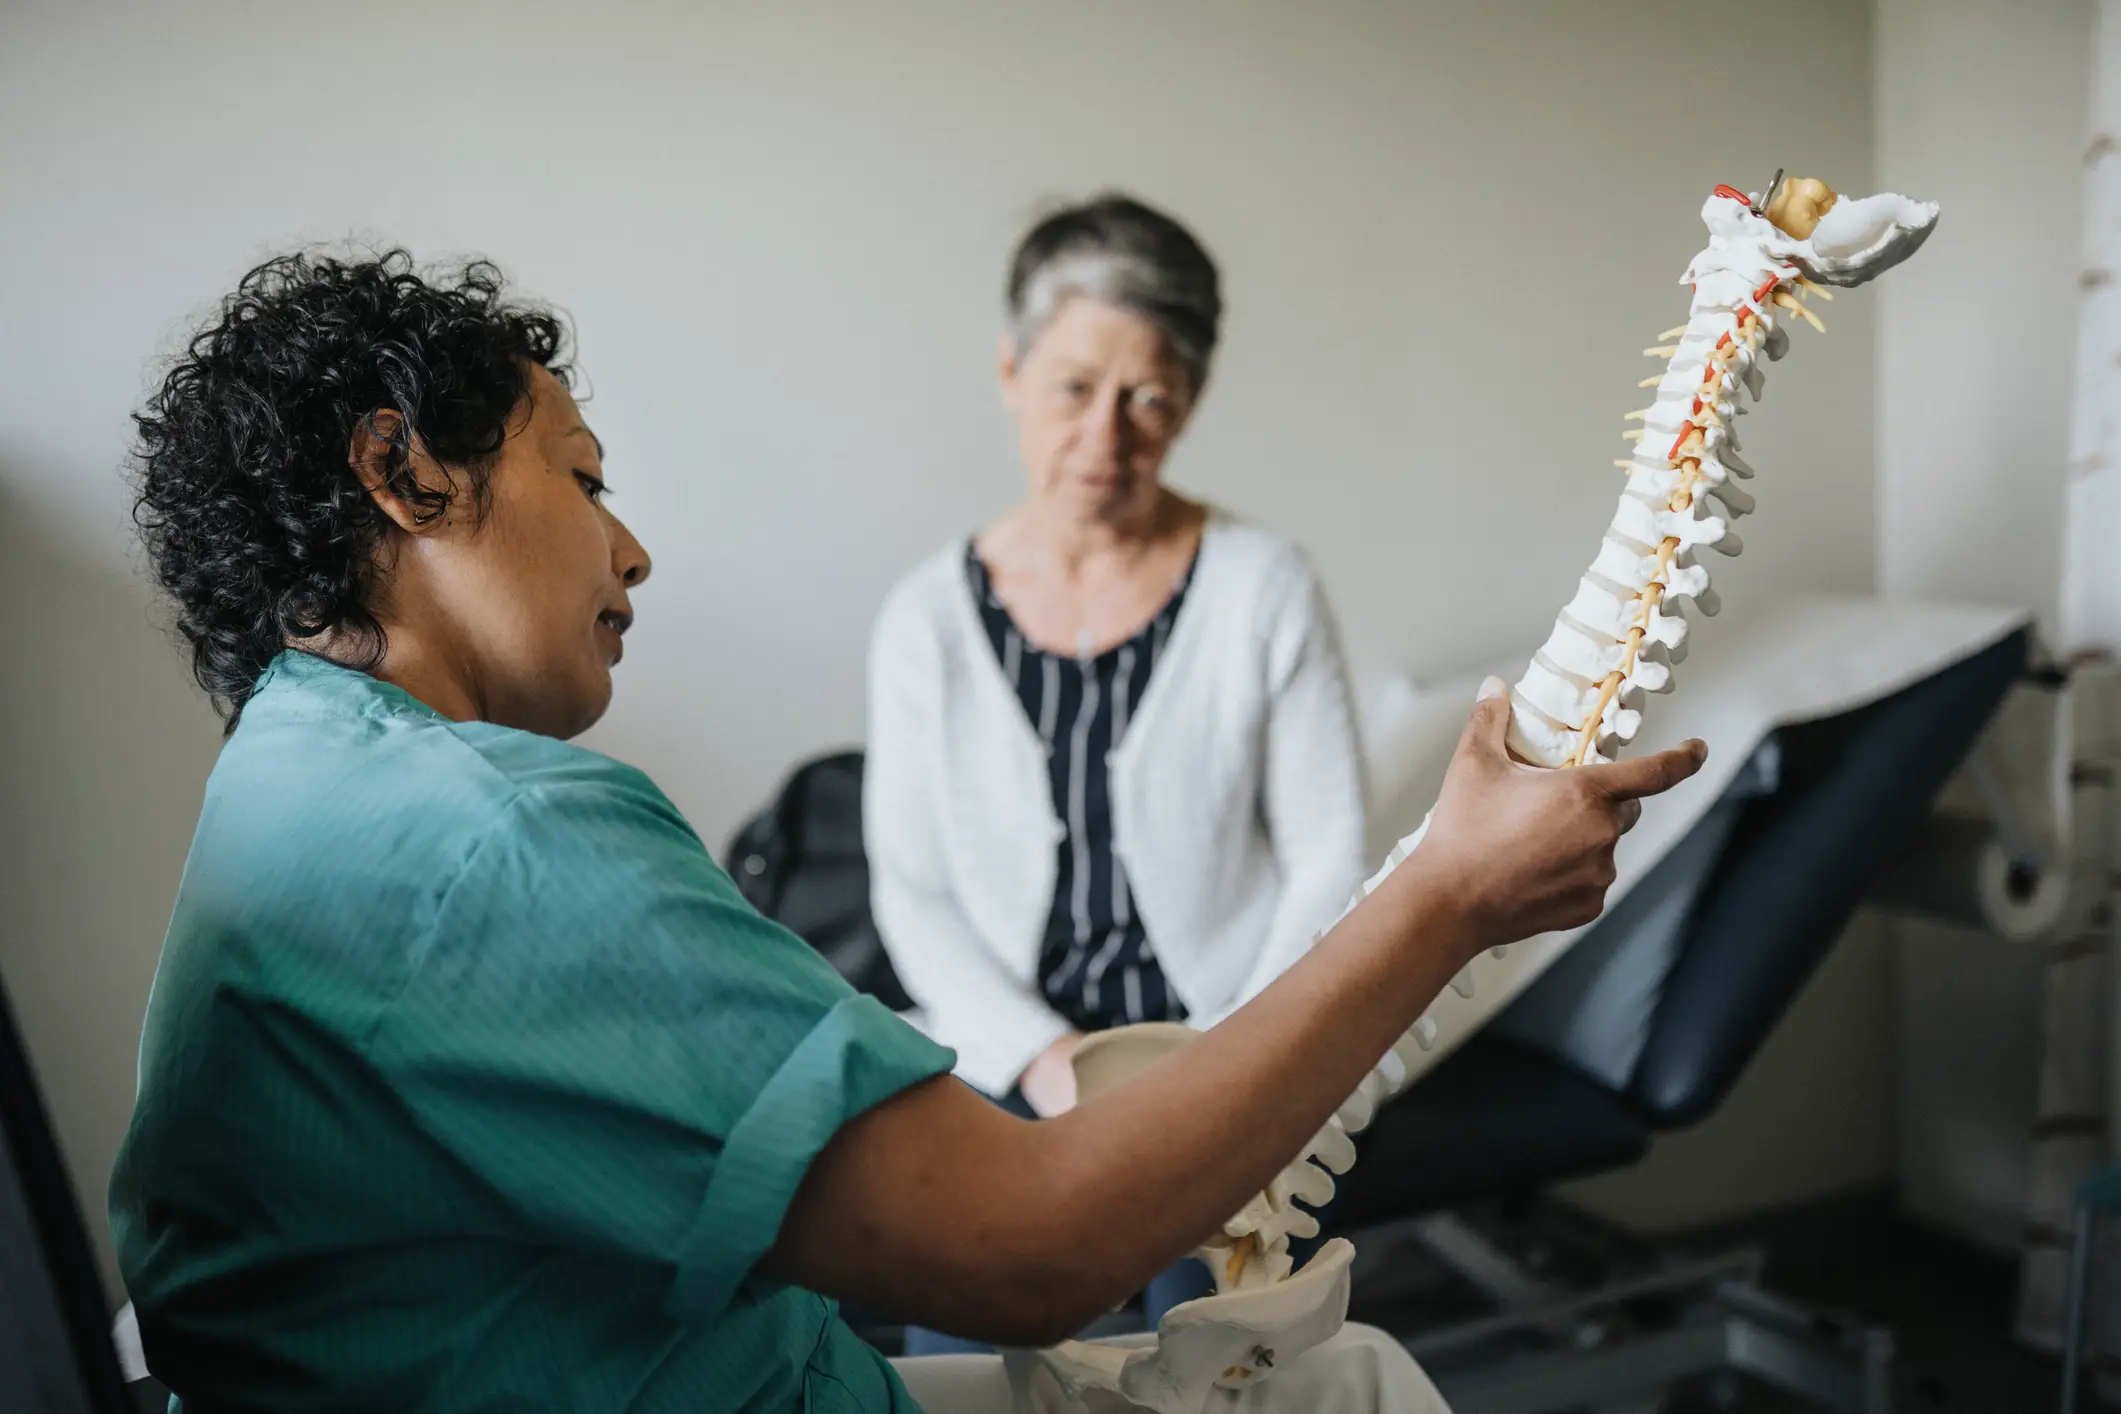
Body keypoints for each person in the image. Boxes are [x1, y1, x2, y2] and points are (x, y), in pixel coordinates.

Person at [107, 248, 1704, 1414]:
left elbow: (1297, 864)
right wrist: (1444, 897)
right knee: (1346, 1385)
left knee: (1330, 1359)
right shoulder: (498, 840)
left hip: (716, 1330)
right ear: (402, 470)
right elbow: (1027, 1245)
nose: (634, 546)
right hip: (936, 1216)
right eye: (585, 478)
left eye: (1153, 393)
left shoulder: (295, 775)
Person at [865, 196, 1364, 1344]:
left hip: (1230, 1048)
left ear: (1191, 397)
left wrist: (1234, 1059)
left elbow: (1327, 852)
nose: (1106, 437)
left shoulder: (1262, 586)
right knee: (979, 1329)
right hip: (1005, 1061)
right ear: (1010, 370)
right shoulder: (927, 620)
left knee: (1226, 1345)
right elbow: (913, 888)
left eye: (1148, 397)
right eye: (1074, 388)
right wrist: (1050, 1066)